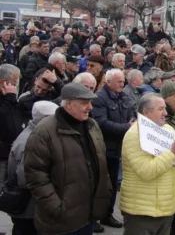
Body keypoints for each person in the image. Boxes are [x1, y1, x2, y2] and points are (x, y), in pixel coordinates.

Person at [24, 83, 112, 235]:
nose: (90, 107)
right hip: (61, 222)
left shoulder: (92, 126)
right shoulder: (44, 132)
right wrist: (56, 208)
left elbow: (101, 163)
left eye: (90, 103)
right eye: (85, 103)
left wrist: (105, 191)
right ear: (69, 105)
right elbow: (36, 177)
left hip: (88, 215)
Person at [120, 93, 175, 235]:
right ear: (146, 112)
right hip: (143, 211)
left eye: (165, 109)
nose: (166, 113)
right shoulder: (134, 135)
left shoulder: (167, 129)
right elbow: (146, 171)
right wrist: (174, 152)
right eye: (161, 109)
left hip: (167, 208)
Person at [92, 69, 136, 229]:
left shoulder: (124, 96)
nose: (122, 84)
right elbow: (102, 123)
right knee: (100, 185)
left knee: (110, 185)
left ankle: (106, 214)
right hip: (104, 148)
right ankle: (94, 217)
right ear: (108, 81)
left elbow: (132, 114)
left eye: (123, 81)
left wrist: (131, 123)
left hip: (119, 148)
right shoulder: (99, 98)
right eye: (118, 81)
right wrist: (126, 127)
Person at [8, 101, 59, 235]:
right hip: (28, 209)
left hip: (32, 207)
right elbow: (25, 179)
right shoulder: (30, 141)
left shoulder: (36, 134)